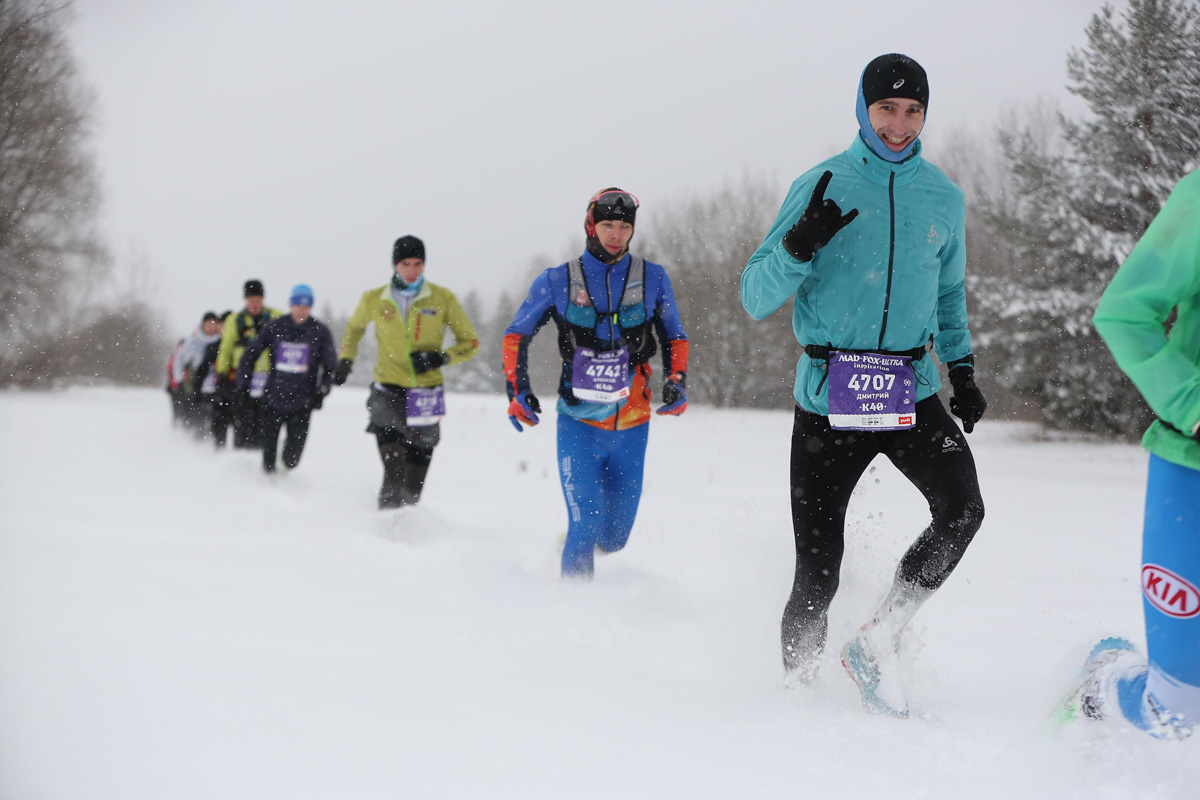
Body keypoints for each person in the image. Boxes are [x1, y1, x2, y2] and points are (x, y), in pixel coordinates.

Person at [740, 54, 987, 715]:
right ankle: (795, 694)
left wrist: (960, 369)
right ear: (863, 109)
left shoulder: (942, 195)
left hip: (907, 392)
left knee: (964, 511)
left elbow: (948, 292)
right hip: (829, 398)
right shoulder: (823, 181)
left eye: (912, 111)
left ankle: (876, 639)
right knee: (818, 570)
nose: (899, 124)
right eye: (886, 109)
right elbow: (754, 294)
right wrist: (798, 245)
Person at [503, 188, 690, 580]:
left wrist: (676, 381)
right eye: (608, 225)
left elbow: (675, 337)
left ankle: (576, 547)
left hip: (634, 424)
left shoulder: (653, 278)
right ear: (591, 225)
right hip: (578, 424)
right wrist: (518, 390)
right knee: (585, 522)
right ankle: (575, 618)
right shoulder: (557, 279)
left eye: (624, 227)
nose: (616, 234)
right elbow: (516, 335)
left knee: (615, 537)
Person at [1076, 170, 1200, 741]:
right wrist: (1191, 400)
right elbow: (1125, 312)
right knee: (1175, 713)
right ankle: (1104, 684)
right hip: (1191, 469)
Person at [334, 236, 479, 508]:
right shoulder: (374, 299)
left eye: (417, 264)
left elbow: (470, 342)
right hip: (387, 390)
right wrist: (346, 359)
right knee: (394, 470)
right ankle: (383, 528)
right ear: (394, 264)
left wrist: (441, 358)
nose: (411, 270)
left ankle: (407, 532)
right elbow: (353, 330)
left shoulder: (442, 298)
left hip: (426, 395)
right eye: (405, 264)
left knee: (413, 486)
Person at [237, 284, 337, 474]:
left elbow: (330, 365)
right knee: (268, 460)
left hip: (302, 402)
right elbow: (250, 355)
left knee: (292, 460)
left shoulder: (320, 332)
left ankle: (285, 478)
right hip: (272, 398)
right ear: (291, 305)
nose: (301, 310)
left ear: (311, 307)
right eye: (297, 305)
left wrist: (322, 390)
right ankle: (267, 492)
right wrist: (243, 384)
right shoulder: (275, 327)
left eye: (305, 306)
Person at [214, 280, 282, 449]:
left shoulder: (275, 317)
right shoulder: (235, 320)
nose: (255, 305)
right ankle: (241, 453)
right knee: (243, 419)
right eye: (251, 300)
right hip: (243, 378)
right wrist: (222, 373)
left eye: (258, 300)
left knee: (266, 420)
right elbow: (226, 348)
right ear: (245, 300)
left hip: (269, 377)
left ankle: (265, 454)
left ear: (263, 299)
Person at [172, 311, 225, 436]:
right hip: (195, 382)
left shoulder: (222, 342)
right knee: (195, 414)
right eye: (208, 324)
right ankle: (193, 437)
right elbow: (178, 360)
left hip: (215, 384)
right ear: (203, 325)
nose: (211, 327)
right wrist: (179, 381)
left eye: (214, 324)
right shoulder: (192, 341)